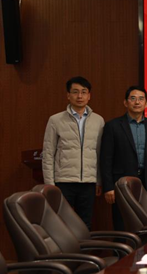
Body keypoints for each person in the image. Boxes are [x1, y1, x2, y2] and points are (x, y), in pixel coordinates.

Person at [42, 76, 105, 230]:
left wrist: (98, 180)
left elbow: (99, 153)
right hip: (63, 181)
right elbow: (48, 154)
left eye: (84, 92)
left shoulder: (98, 121)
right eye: (75, 92)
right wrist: (50, 184)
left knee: (85, 224)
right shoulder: (55, 120)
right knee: (61, 224)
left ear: (89, 96)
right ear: (68, 95)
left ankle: (83, 247)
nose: (79, 96)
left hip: (88, 182)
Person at [101, 85, 147, 230]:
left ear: (146, 103)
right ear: (125, 102)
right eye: (133, 98)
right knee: (122, 223)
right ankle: (122, 246)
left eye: (141, 99)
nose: (137, 102)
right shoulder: (113, 126)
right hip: (121, 184)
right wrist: (108, 187)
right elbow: (106, 158)